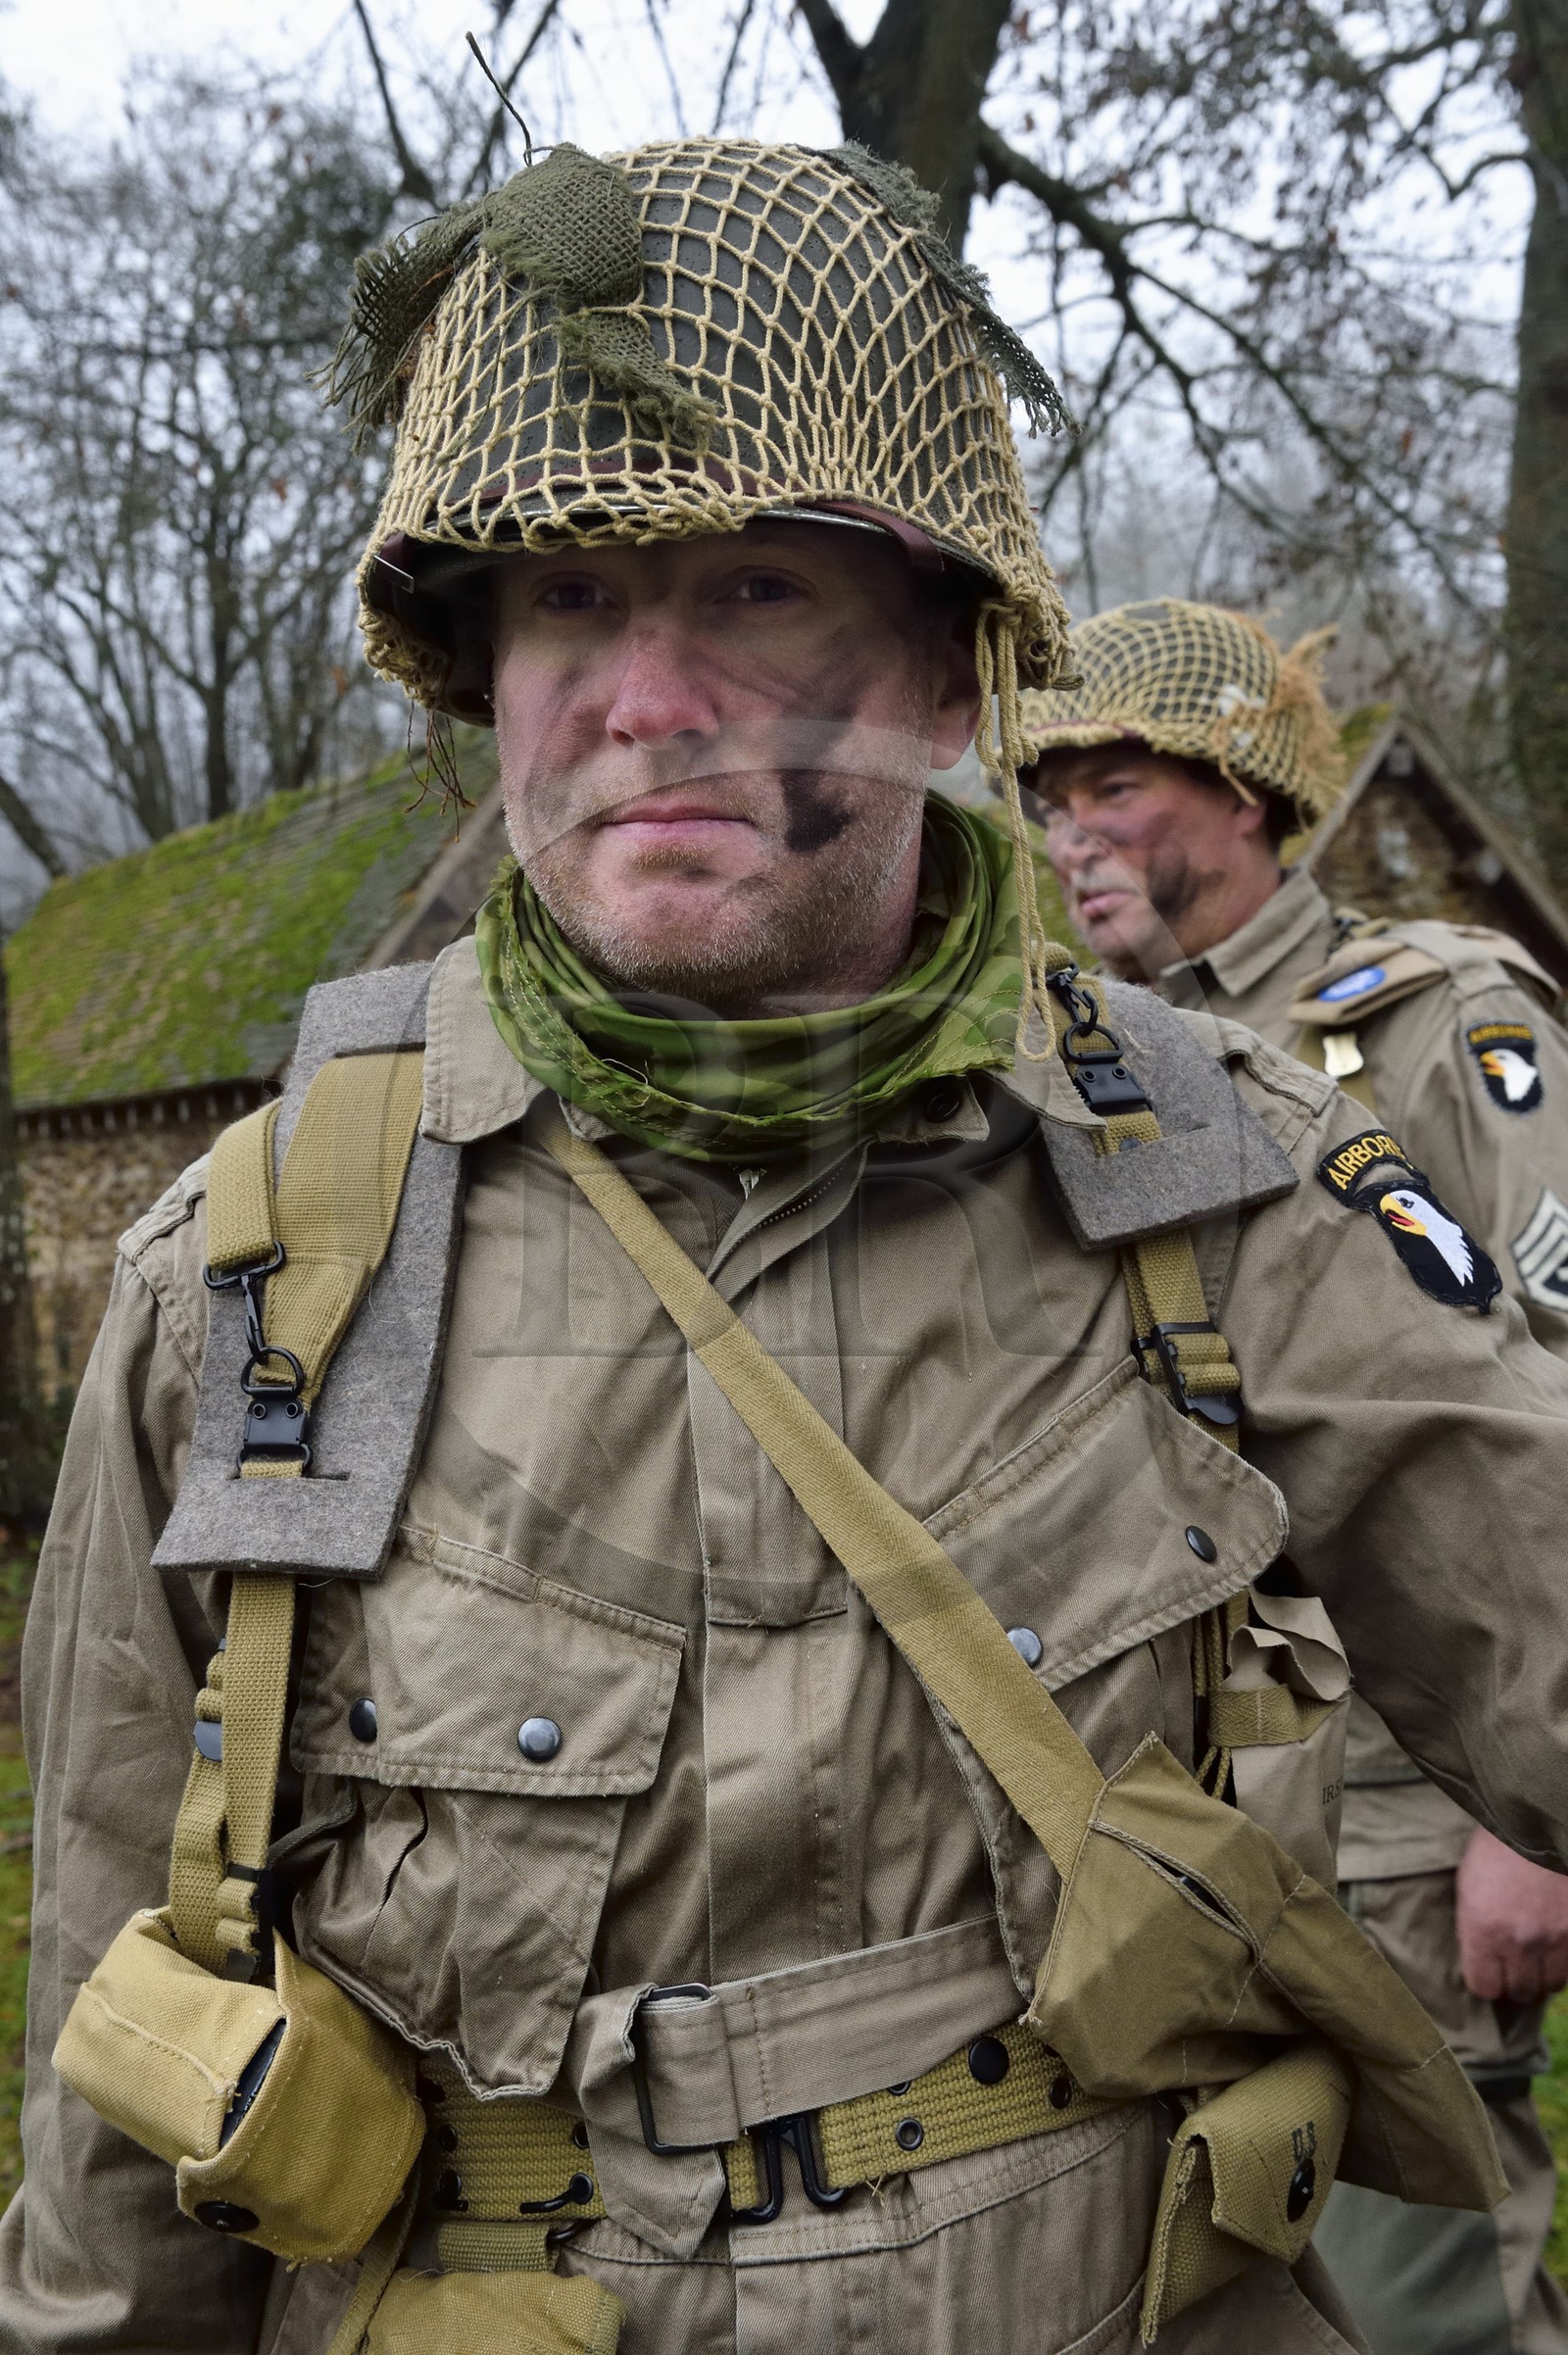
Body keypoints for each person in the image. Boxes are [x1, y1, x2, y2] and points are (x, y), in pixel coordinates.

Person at [7, 140, 1568, 2355]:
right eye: (560, 598)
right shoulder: (256, 1276)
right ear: (477, 669)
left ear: (943, 675)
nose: (643, 698)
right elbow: (119, 2079)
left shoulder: (1222, 1182)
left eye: (750, 588)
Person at [1031, 594, 1568, 2355]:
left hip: (1423, 1787)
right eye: (1047, 798)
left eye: (1112, 785)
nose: (1068, 835)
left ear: (1247, 793)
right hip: (1202, 1796)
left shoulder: (1438, 1020)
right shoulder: (1092, 1071)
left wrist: (1529, 1830)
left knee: (1437, 2283)